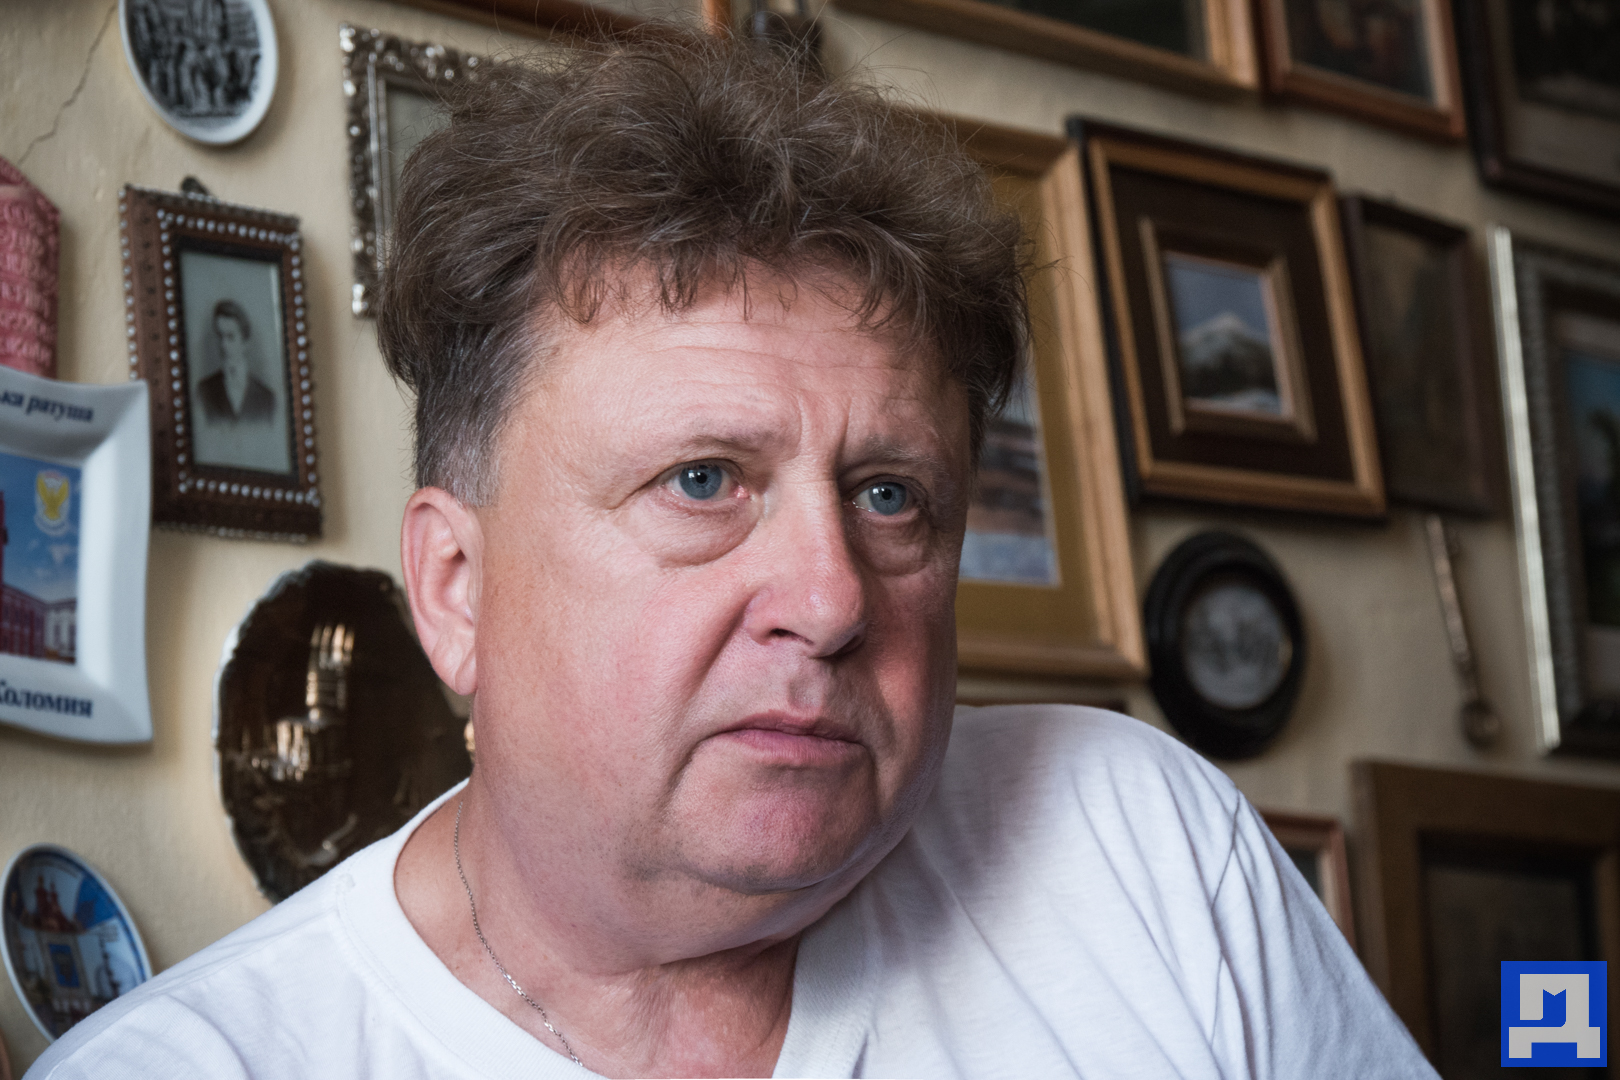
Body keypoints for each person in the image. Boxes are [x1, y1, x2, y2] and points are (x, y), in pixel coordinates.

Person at [28, 26, 1438, 1080]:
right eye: (702, 481)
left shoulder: (1137, 847)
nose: (830, 600)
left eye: (891, 496)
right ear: (456, 589)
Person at [194, 299, 275, 424]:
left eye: (230, 337)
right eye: (220, 336)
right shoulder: (204, 392)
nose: (223, 345)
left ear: (245, 342)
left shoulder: (267, 398)